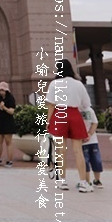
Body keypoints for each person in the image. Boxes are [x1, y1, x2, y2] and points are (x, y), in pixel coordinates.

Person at [46, 58, 93, 193]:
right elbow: (86, 105)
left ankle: (62, 181)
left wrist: (48, 122)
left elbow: (51, 105)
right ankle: (83, 182)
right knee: (78, 151)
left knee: (61, 151)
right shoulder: (79, 84)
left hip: (60, 114)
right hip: (74, 114)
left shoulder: (54, 84)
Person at [0, 81, 16, 166]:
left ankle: (10, 160)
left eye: (2, 90)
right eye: (0, 90)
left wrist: (4, 107)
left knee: (8, 142)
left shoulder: (10, 98)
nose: (1, 92)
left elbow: (12, 111)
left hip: (8, 121)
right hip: (0, 121)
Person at [80, 106, 104, 189]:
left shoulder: (89, 110)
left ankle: (97, 180)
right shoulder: (74, 110)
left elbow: (95, 122)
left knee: (97, 160)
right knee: (85, 162)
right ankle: (87, 181)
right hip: (81, 142)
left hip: (93, 141)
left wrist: (89, 134)